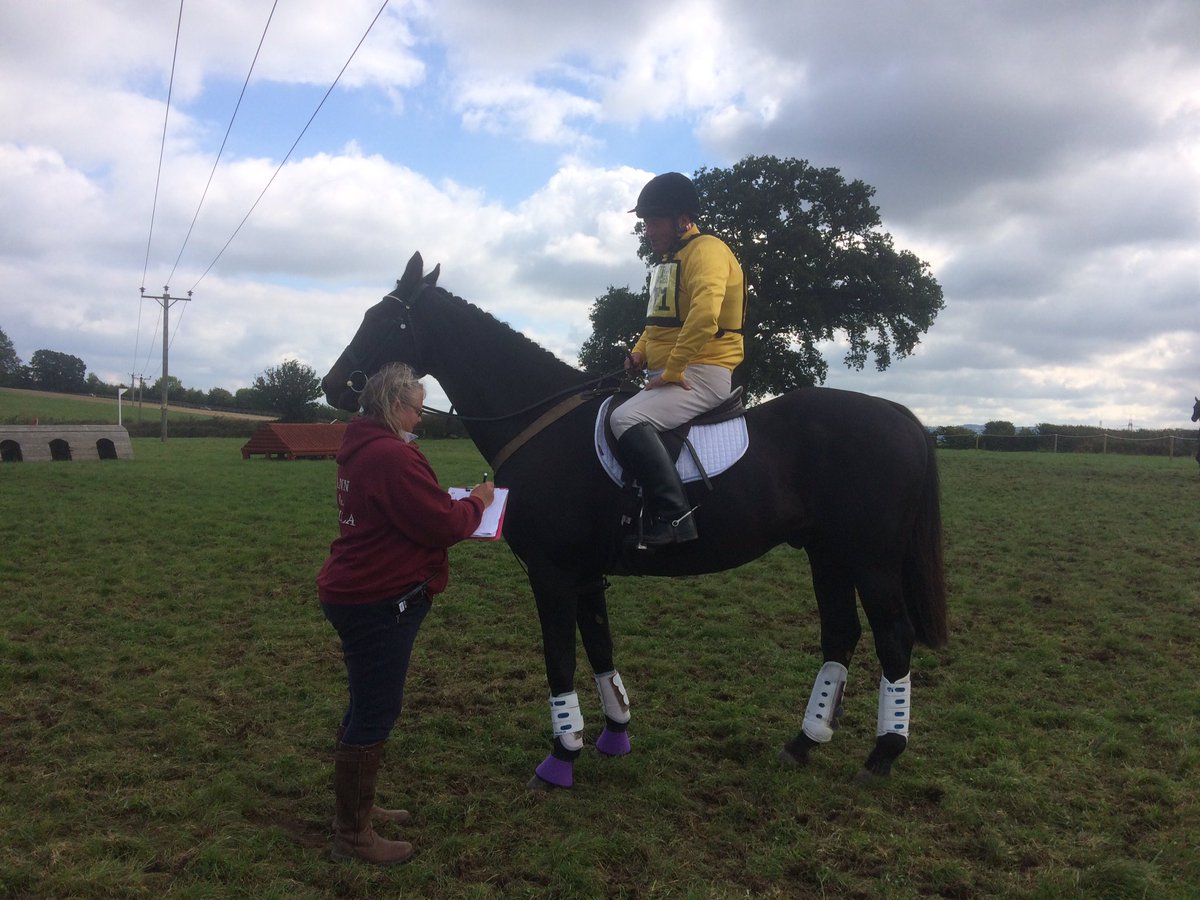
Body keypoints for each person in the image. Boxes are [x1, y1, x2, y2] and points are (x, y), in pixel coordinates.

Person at [316, 362, 494, 865]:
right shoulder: (392, 456)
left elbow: (405, 509)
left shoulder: (364, 446)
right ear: (395, 405)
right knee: (376, 710)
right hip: (379, 598)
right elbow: (442, 524)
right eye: (417, 409)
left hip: (358, 589)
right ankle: (353, 834)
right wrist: (478, 502)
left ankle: (358, 805)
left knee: (365, 702)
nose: (420, 418)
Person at [614, 171, 746, 546]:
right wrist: (640, 352)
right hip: (673, 372)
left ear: (683, 219)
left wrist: (672, 370)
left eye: (654, 221)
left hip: (700, 374)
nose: (648, 231)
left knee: (625, 418)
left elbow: (704, 317)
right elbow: (659, 323)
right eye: (645, 223)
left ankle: (676, 518)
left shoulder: (707, 251)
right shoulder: (671, 261)